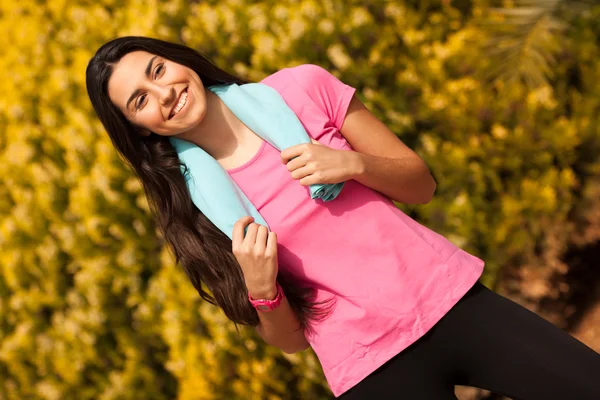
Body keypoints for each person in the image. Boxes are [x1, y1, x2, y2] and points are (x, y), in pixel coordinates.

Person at [86, 36, 600, 399]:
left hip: (450, 302)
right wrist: (262, 286)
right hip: (368, 367)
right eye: (140, 101)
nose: (164, 94)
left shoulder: (302, 88)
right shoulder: (192, 212)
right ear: (140, 128)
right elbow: (287, 341)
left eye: (157, 71)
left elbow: (421, 184)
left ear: (179, 61)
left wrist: (353, 164)